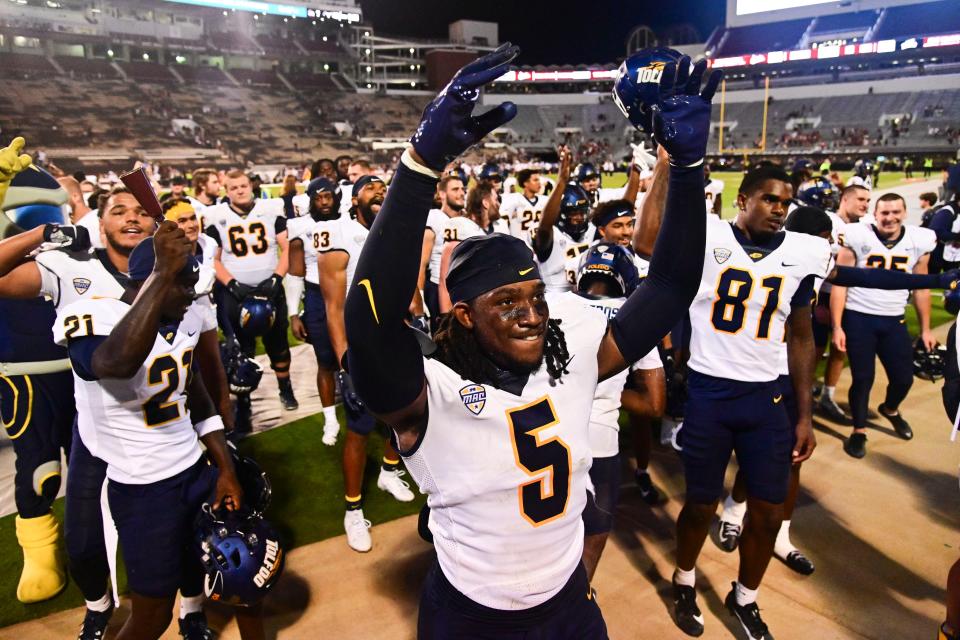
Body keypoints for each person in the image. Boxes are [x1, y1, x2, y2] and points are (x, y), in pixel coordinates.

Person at [343, 45, 718, 638]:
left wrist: (689, 166)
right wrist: (420, 165)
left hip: (567, 600)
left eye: (537, 298)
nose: (532, 315)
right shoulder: (430, 388)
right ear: (463, 315)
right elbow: (369, 324)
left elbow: (669, 286)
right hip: (471, 615)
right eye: (507, 303)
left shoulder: (573, 352)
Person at [54, 225, 243, 640]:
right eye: (183, 283)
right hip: (141, 486)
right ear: (147, 281)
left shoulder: (187, 317)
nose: (191, 294)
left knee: (214, 568)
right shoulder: (92, 316)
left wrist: (224, 467)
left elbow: (199, 398)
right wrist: (161, 276)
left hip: (192, 470)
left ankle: (193, 618)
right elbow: (113, 364)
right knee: (152, 614)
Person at [317, 174, 416, 552]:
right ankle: (353, 509)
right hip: (361, 343)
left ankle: (390, 472)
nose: (381, 191)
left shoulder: (395, 228)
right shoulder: (337, 234)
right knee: (359, 427)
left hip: (396, 336)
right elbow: (333, 305)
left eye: (384, 187)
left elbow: (407, 283)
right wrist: (345, 360)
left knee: (405, 413)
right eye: (371, 187)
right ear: (353, 197)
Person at [575, 243, 664, 581]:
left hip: (546, 430)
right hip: (600, 439)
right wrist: (609, 391)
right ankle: (579, 595)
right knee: (595, 527)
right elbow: (654, 404)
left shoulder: (555, 305)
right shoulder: (633, 319)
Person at [831, 193, 937, 458]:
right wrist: (837, 326)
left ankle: (890, 408)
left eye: (895, 212)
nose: (889, 218)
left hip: (894, 319)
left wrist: (926, 328)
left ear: (904, 214)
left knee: (903, 378)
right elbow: (840, 283)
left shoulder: (917, 241)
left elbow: (922, 288)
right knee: (863, 377)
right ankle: (858, 430)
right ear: (875, 215)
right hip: (858, 317)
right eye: (884, 213)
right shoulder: (857, 236)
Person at [205, 169, 297, 435]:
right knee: (240, 350)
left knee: (278, 343)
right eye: (233, 187)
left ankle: (285, 388)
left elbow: (287, 248)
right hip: (234, 292)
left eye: (243, 185)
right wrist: (232, 284)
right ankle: (243, 400)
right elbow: (214, 258)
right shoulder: (216, 217)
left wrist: (276, 279)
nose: (240, 190)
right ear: (226, 190)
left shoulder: (270, 210)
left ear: (251, 185)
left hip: (270, 290)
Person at [286, 177, 343, 445]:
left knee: (357, 355)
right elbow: (295, 272)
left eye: (328, 197)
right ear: (310, 199)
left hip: (346, 295)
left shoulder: (348, 221)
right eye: (318, 198)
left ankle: (365, 404)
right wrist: (293, 313)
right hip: (317, 296)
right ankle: (330, 419)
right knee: (325, 361)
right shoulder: (299, 227)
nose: (323, 202)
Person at [532, 146, 593, 293]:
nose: (579, 218)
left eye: (582, 213)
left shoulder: (591, 231)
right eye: (574, 213)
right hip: (554, 301)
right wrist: (561, 182)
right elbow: (545, 226)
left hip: (582, 300)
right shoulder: (550, 235)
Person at [421, 174, 466, 321]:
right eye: (455, 189)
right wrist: (420, 297)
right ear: (442, 194)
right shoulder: (433, 217)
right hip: (437, 289)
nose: (461, 193)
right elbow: (422, 263)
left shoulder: (466, 219)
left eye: (462, 189)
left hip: (462, 288)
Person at [499, 168, 546, 240]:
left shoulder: (545, 200)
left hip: (540, 245)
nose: (539, 183)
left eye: (538, 180)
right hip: (519, 246)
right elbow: (502, 226)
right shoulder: (512, 200)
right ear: (525, 183)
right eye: (535, 180)